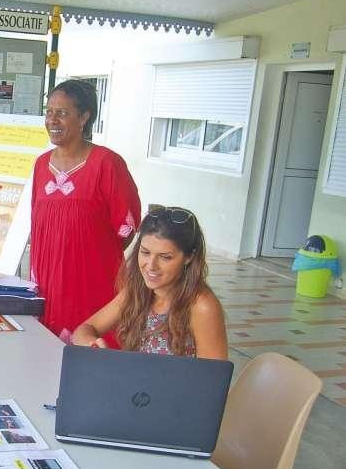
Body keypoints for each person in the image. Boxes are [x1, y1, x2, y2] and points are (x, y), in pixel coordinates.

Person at [30, 80, 141, 346]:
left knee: (90, 354)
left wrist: (87, 253)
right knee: (45, 352)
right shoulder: (41, 164)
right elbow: (37, 221)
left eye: (62, 113)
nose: (52, 120)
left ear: (84, 117)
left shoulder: (106, 163)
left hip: (91, 283)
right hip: (46, 283)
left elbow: (127, 225)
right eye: (49, 112)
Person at [72, 206, 228, 359]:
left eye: (165, 257)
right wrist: (91, 343)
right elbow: (84, 329)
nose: (151, 265)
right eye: (145, 252)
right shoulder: (138, 291)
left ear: (189, 257)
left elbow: (212, 380)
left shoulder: (201, 306)